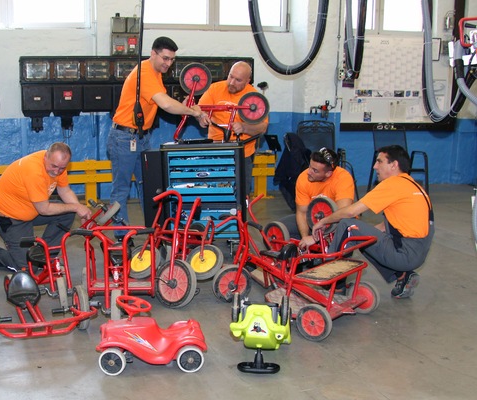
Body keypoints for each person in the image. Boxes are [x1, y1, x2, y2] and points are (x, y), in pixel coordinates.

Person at [108, 36, 208, 236]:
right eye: (165, 58)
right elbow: (166, 104)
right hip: (124, 138)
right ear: (153, 53)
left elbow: (167, 103)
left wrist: (190, 109)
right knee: (121, 191)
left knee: (149, 187)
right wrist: (194, 112)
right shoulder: (144, 73)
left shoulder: (156, 73)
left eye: (171, 60)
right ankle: (121, 240)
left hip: (142, 137)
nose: (168, 64)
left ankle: (153, 233)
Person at [311, 145, 434, 299]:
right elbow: (387, 226)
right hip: (418, 252)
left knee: (348, 225)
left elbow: (350, 212)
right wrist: (360, 233)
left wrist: (324, 221)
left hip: (404, 254)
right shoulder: (414, 185)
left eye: (379, 161)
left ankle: (333, 285)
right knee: (360, 236)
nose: (375, 166)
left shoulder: (392, 184)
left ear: (394, 165)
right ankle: (402, 276)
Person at [0, 142, 92, 271]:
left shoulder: (58, 166)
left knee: (67, 213)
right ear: (45, 157)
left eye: (62, 168)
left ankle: (45, 256)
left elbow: (65, 191)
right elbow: (44, 209)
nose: (57, 171)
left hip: (31, 212)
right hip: (9, 218)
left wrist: (82, 211)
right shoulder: (34, 171)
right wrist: (76, 207)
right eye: (54, 166)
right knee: (28, 268)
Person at [198, 61, 269, 194]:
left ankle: (239, 214)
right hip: (215, 151)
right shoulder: (215, 88)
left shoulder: (254, 97)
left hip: (243, 153)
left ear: (247, 81)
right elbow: (199, 109)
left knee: (241, 194)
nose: (231, 82)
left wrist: (244, 127)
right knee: (214, 192)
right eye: (230, 76)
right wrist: (201, 117)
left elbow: (262, 127)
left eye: (238, 80)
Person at [279, 147, 355, 250]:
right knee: (280, 228)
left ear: (328, 173)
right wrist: (305, 237)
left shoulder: (343, 179)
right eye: (310, 166)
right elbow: (302, 212)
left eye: (315, 170)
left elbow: (343, 214)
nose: (309, 172)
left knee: (332, 250)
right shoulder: (303, 178)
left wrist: (317, 238)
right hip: (313, 222)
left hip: (338, 224)